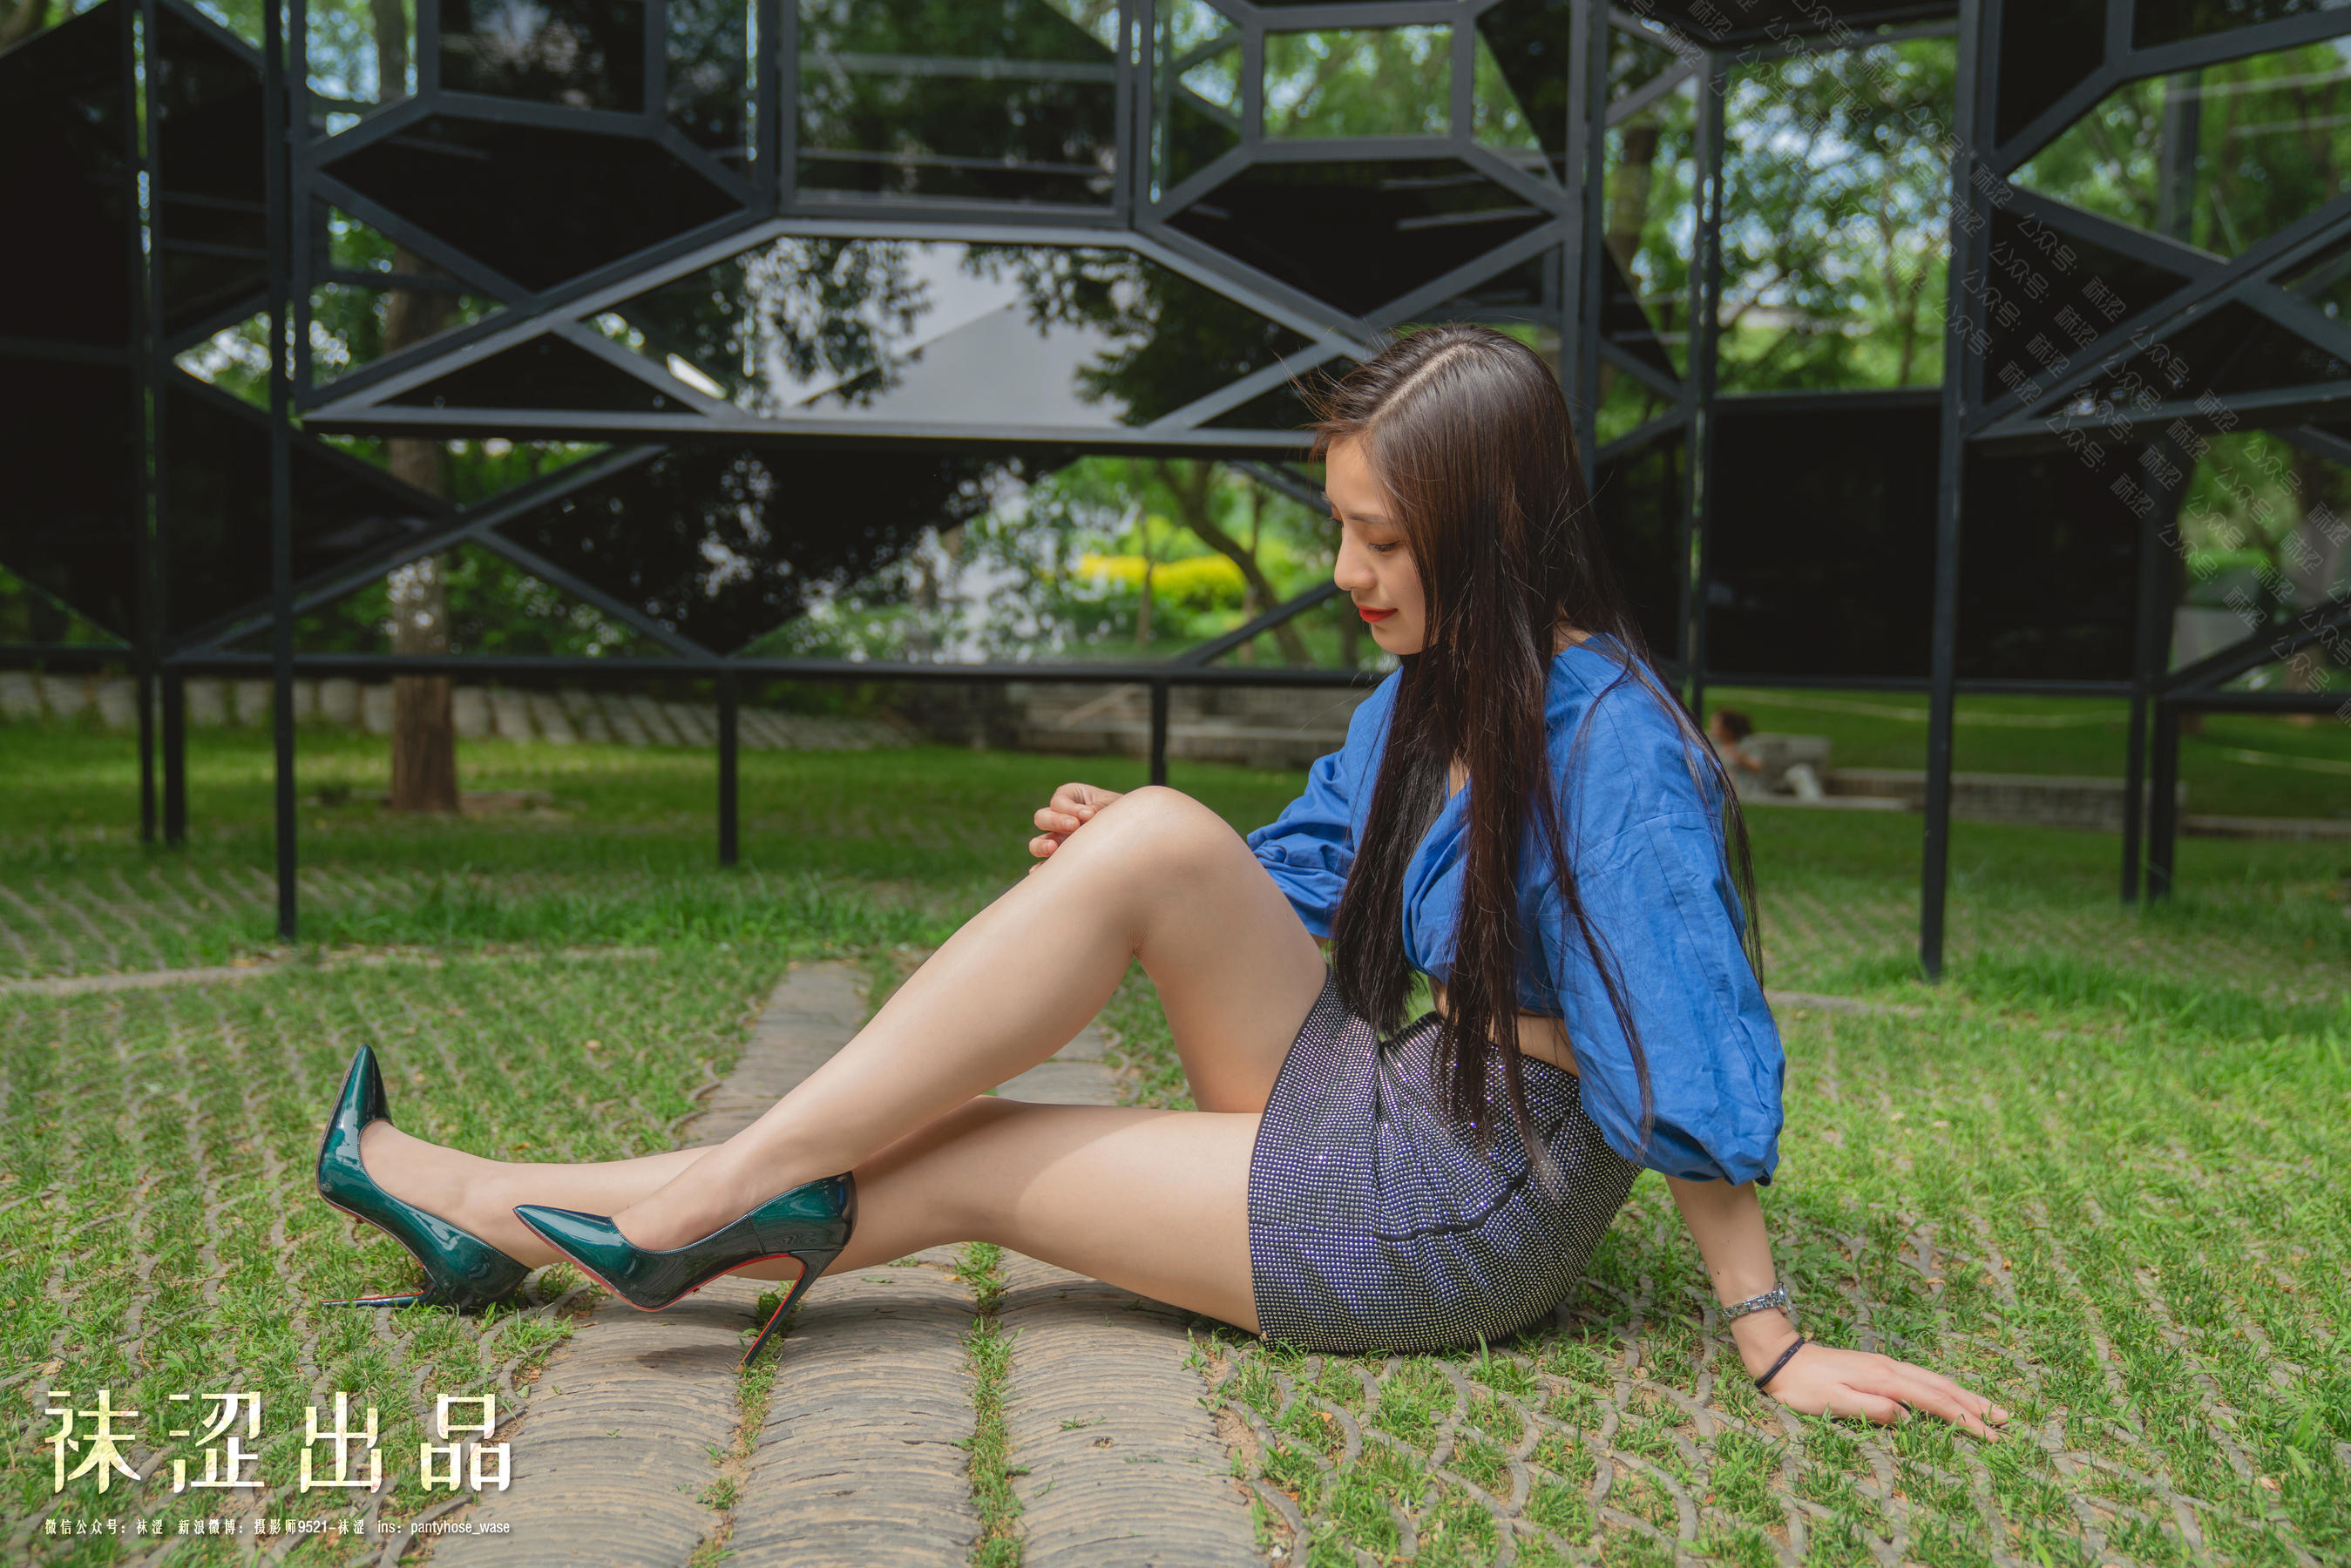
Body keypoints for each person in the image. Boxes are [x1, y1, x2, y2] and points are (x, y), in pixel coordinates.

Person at [317, 325, 2007, 1436]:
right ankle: (524, 1212)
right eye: (1338, 527)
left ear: (1493, 538)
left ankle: (542, 1206)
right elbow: (1289, 885)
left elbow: (1674, 1023)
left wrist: (1771, 1336)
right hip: (1386, 1098)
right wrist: (1120, 865)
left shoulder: (1613, 744)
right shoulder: (1428, 696)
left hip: (1458, 1210)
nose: (1344, 571)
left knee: (972, 1156)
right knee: (1153, 837)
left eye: (1383, 541)